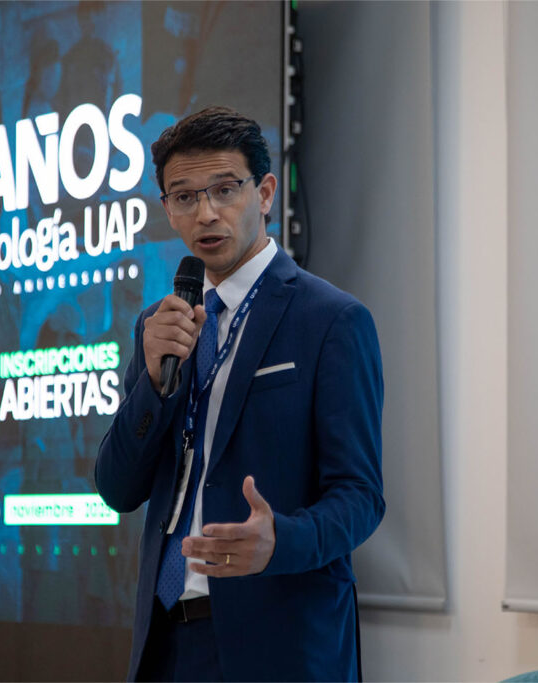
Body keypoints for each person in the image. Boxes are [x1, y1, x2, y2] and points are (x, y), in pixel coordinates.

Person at [95, 107, 384, 681]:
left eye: (225, 189)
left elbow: (360, 497)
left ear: (266, 192)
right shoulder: (161, 325)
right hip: (166, 639)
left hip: (280, 640)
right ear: (167, 210)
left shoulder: (331, 320)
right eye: (184, 197)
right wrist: (152, 383)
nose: (206, 213)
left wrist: (281, 541)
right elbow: (117, 488)